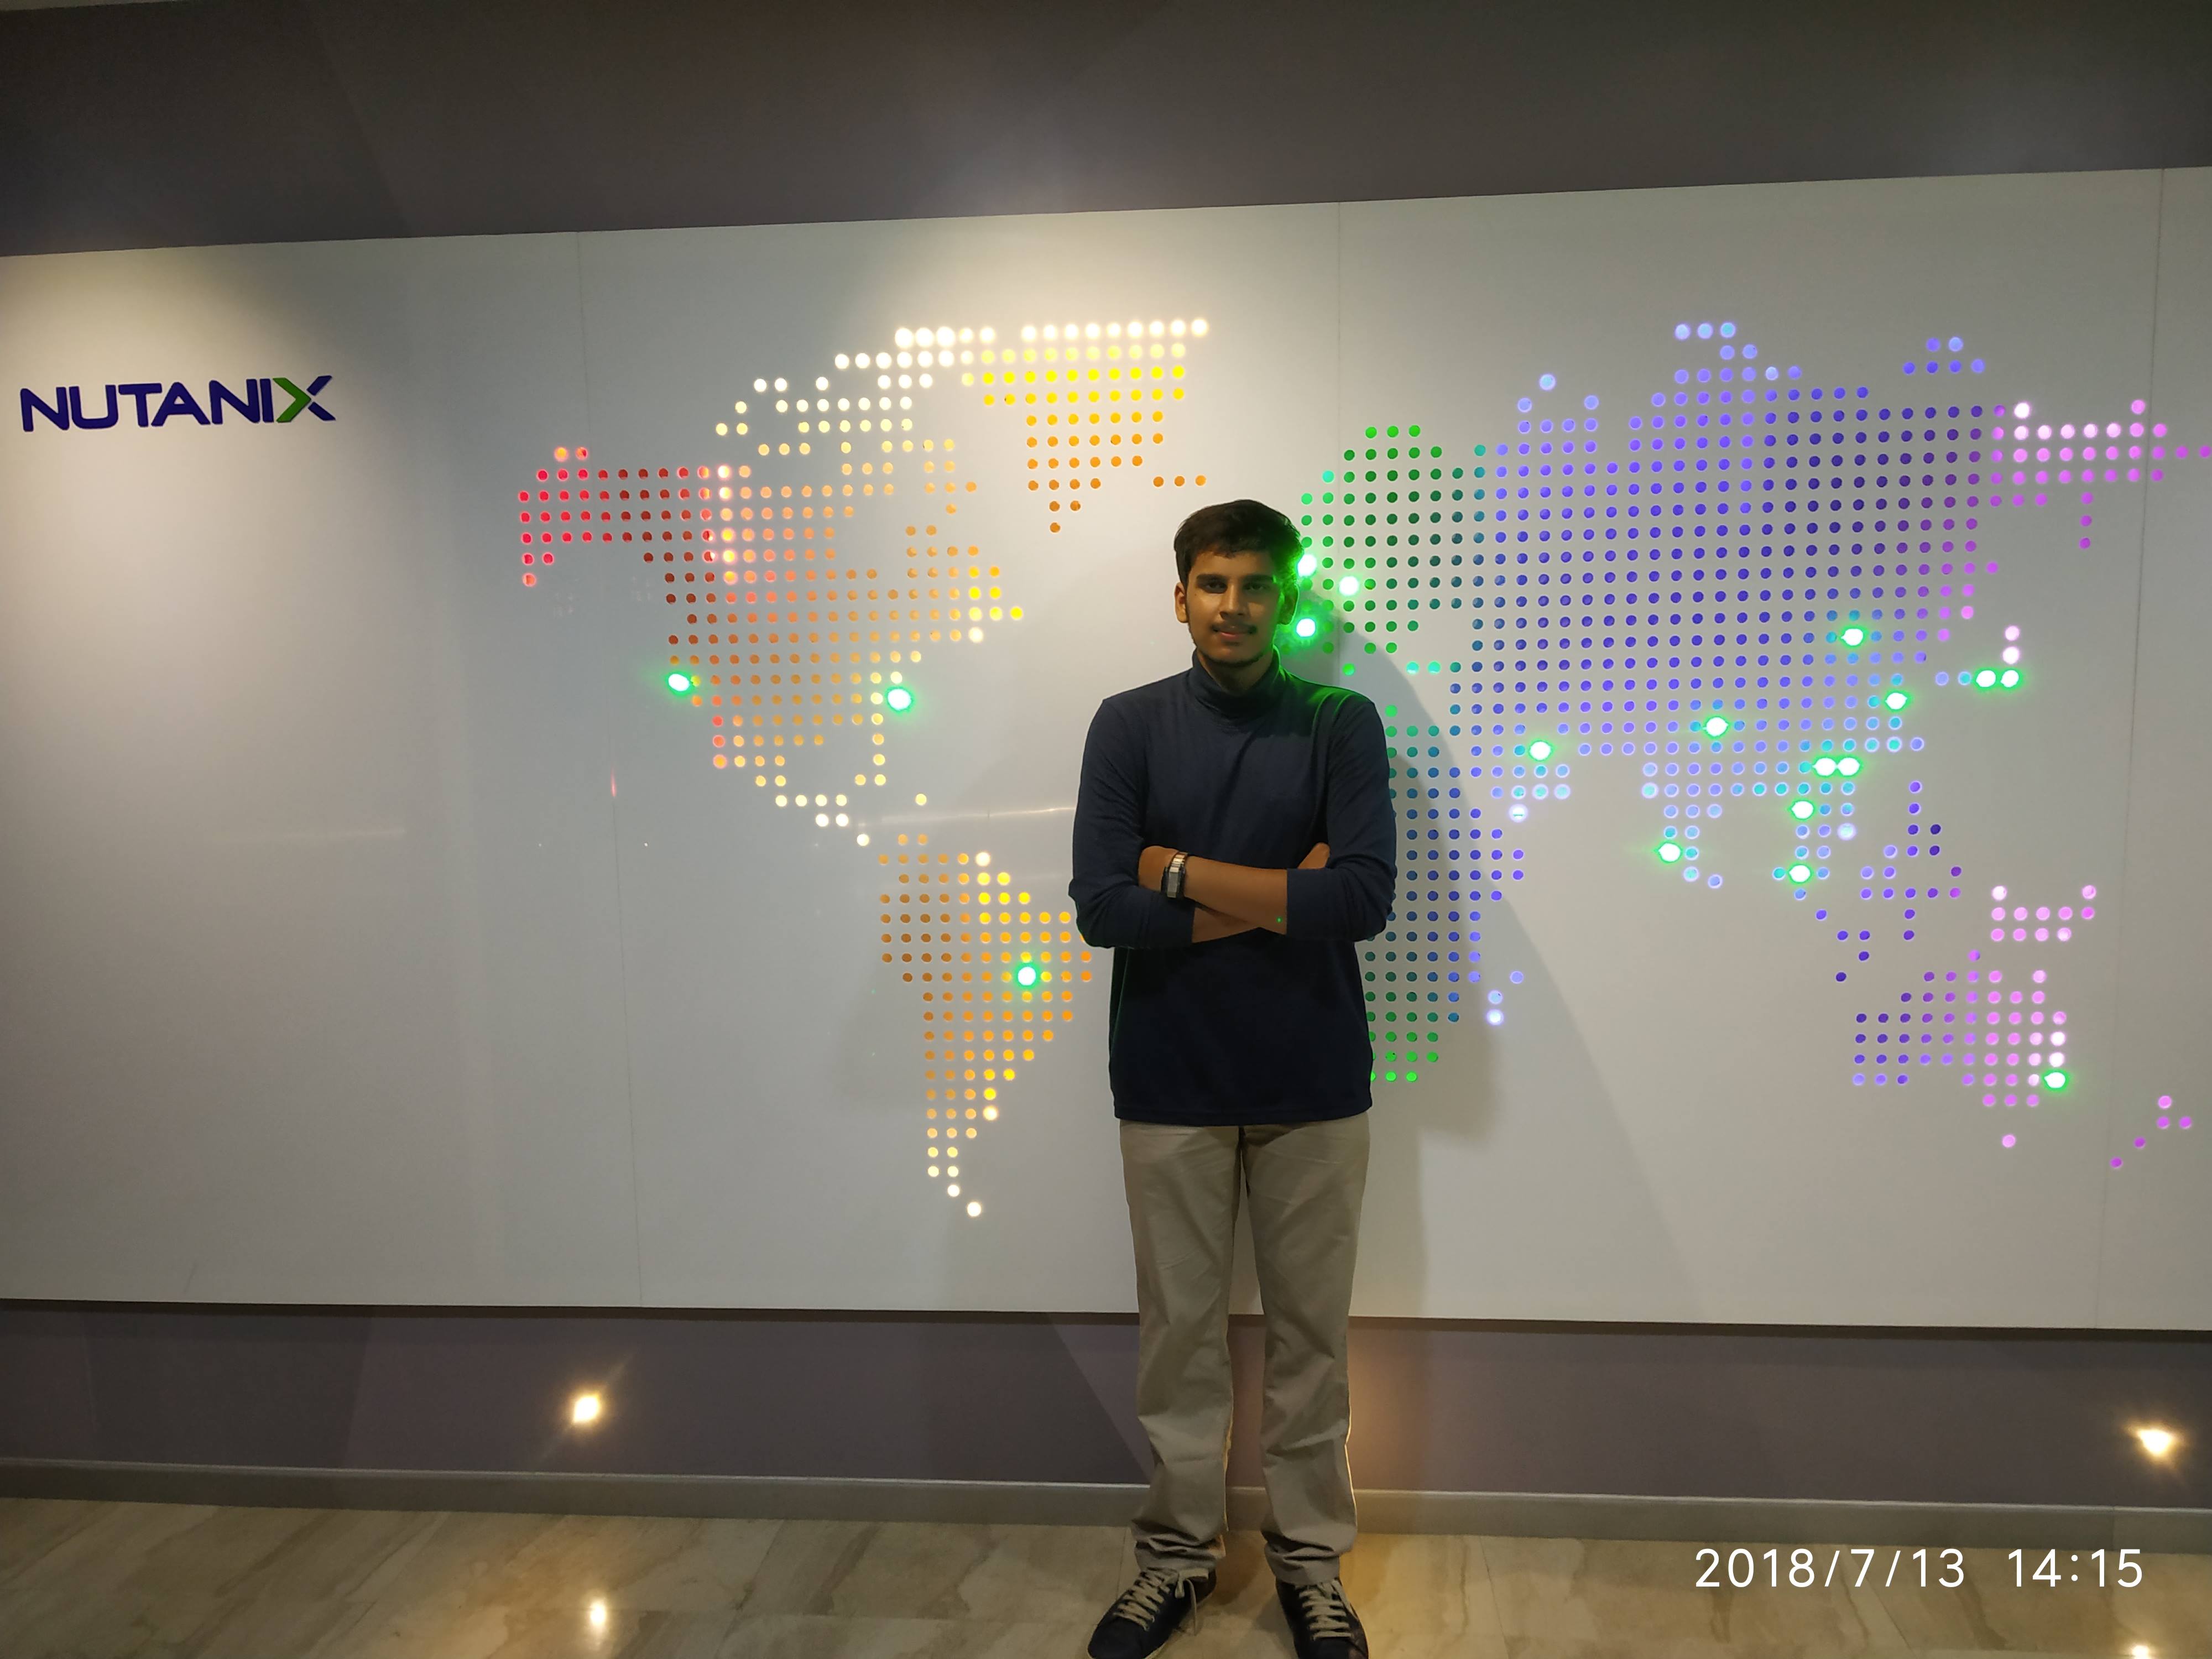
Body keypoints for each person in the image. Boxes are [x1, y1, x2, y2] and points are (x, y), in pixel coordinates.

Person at [1068, 499, 1395, 1659]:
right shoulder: (1128, 724)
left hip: (1314, 1079)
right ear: (1181, 597)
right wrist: (1277, 894)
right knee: (1180, 1344)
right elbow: (1103, 909)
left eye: (1257, 585)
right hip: (1168, 1080)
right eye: (1213, 583)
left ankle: (1309, 1568)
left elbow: (1359, 898)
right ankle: (1175, 1563)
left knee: (1312, 1340)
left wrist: (1179, 870)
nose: (1234, 605)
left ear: (1286, 600)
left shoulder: (1339, 724)